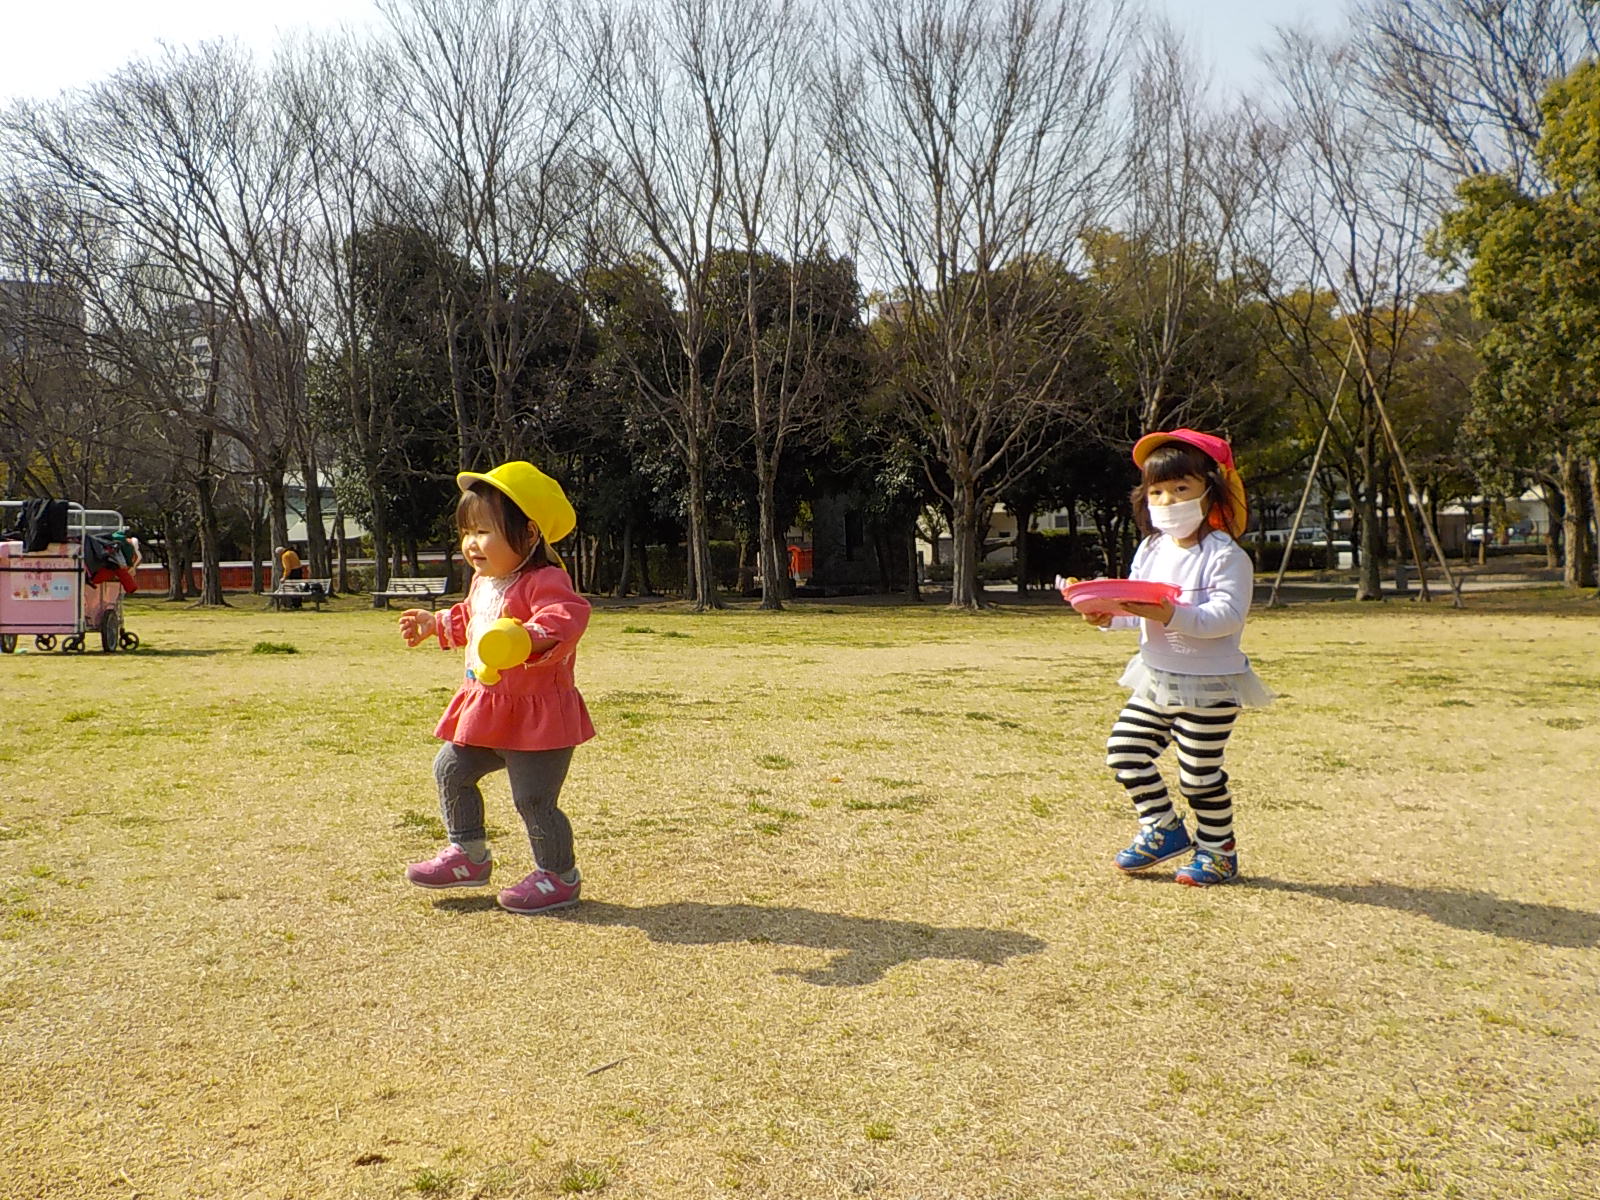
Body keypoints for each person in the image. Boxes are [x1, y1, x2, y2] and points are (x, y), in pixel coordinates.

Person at [397, 461, 596, 914]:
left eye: (484, 531)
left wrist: (527, 638)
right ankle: (468, 853)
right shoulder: (484, 582)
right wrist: (435, 624)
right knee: (451, 769)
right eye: (467, 532)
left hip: (536, 717)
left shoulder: (545, 580)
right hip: (488, 710)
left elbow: (565, 617)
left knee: (534, 800)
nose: (471, 543)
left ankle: (558, 876)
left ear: (529, 533)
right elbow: (472, 618)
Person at [1083, 429, 1272, 887]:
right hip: (1156, 678)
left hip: (1212, 685)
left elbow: (1225, 617)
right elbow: (1138, 611)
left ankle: (1218, 851)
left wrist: (1171, 613)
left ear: (1211, 491)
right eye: (1157, 491)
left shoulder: (1226, 556)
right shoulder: (1151, 549)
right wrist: (1107, 615)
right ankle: (1163, 828)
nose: (1167, 500)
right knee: (1124, 752)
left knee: (1199, 776)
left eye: (1181, 488)